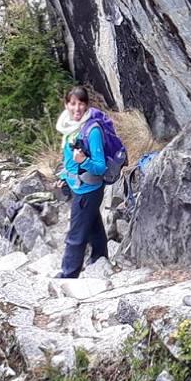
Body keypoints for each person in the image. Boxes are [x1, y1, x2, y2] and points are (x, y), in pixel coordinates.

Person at [58, 85, 111, 278]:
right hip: (78, 185)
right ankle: (99, 258)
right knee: (93, 224)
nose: (77, 108)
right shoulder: (69, 128)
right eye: (73, 104)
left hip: (88, 189)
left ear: (87, 105)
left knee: (76, 235)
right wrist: (64, 176)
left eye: (81, 104)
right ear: (66, 105)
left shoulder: (92, 131)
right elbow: (69, 160)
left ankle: (68, 274)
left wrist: (84, 161)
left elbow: (100, 167)